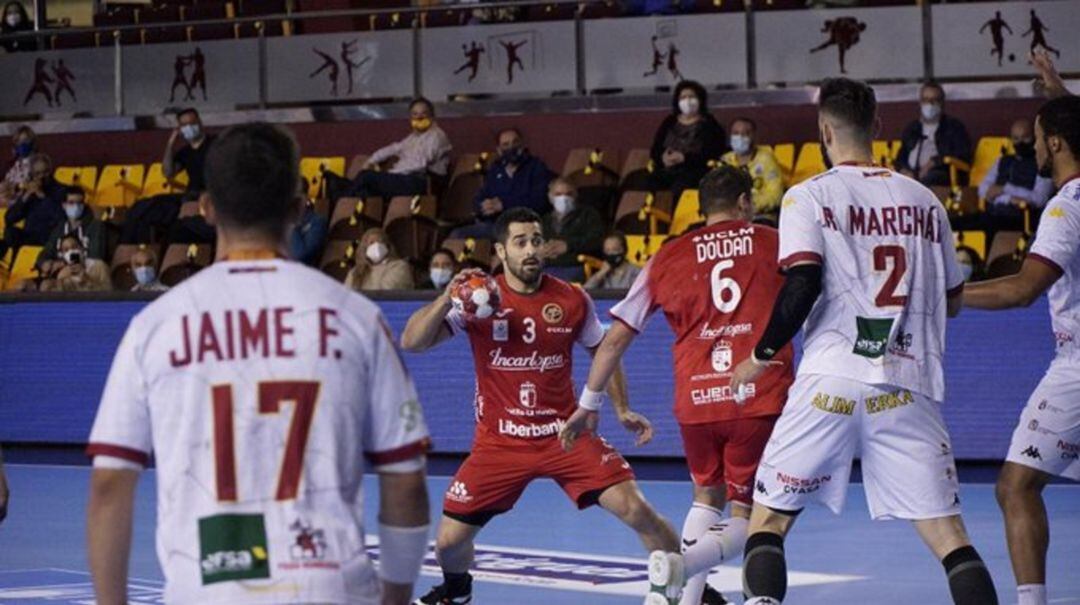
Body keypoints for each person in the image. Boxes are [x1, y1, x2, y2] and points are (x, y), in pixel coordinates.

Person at [86, 122, 431, 605]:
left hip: (205, 588)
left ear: (205, 208)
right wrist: (394, 598)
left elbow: (108, 485)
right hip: (329, 587)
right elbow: (406, 482)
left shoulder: (156, 325)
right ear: (297, 208)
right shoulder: (357, 318)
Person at [729, 77, 998, 605]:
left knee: (770, 523)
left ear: (824, 130)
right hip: (906, 384)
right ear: (878, 126)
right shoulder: (926, 201)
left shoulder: (807, 195)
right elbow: (954, 300)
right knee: (951, 539)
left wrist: (760, 357)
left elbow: (802, 281)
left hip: (829, 380)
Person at [400, 207, 681, 605]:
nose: (531, 249)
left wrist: (620, 408)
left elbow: (604, 349)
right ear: (500, 250)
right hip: (499, 443)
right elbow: (412, 341)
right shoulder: (479, 299)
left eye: (536, 240)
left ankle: (692, 587)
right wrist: (446, 299)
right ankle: (457, 591)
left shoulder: (571, 299)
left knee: (637, 510)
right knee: (448, 544)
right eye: (520, 242)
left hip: (565, 435)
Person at [563, 166, 795, 605]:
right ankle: (682, 566)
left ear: (702, 208)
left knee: (707, 497)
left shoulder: (668, 255)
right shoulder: (773, 242)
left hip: (696, 401)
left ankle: (675, 601)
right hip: (757, 395)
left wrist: (589, 401)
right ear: (745, 202)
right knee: (755, 515)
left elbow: (614, 338)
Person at [962, 95, 1080, 605]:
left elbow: (1022, 289)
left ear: (1054, 142)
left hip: (1077, 369)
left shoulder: (1065, 206)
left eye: (1037, 135)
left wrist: (947, 296)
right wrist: (1059, 89)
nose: (1032, 143)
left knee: (1015, 486)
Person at [121, 108, 216, 244]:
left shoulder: (216, 145)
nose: (188, 128)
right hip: (189, 195)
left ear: (200, 123)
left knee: (179, 221)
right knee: (143, 207)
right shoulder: (185, 152)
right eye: (184, 125)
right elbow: (168, 172)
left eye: (191, 123)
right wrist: (171, 143)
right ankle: (133, 249)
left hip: (208, 194)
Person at [451, 127, 552, 239]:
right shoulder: (496, 169)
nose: (511, 147)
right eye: (506, 144)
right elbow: (480, 197)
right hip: (495, 224)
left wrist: (504, 205)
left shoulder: (536, 167)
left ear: (522, 144)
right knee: (457, 235)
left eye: (515, 142)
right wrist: (483, 206)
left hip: (524, 225)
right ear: (499, 150)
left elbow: (540, 202)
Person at [350, 98, 452, 201]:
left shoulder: (437, 136)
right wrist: (370, 161)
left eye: (424, 113)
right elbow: (393, 148)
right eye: (415, 114)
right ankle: (348, 206)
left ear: (432, 116)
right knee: (342, 183)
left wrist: (391, 173)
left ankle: (345, 201)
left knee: (366, 178)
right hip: (404, 179)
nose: (419, 117)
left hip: (421, 183)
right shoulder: (412, 138)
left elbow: (420, 164)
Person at [649, 81, 728, 203]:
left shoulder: (710, 124)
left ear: (700, 100)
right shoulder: (670, 121)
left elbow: (714, 153)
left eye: (692, 97)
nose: (687, 101)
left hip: (695, 171)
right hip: (667, 169)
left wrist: (684, 158)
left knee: (682, 185)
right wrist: (663, 158)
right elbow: (655, 149)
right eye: (683, 97)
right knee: (644, 181)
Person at [978, 118, 1055, 230]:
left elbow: (1040, 199)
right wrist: (1009, 198)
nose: (1020, 143)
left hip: (1023, 219)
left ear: (1035, 138)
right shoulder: (1002, 160)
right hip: (995, 213)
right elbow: (983, 189)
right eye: (1016, 138)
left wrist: (1005, 189)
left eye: (1025, 138)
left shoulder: (1043, 163)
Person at [895, 82, 973, 188]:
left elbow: (963, 156)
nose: (930, 104)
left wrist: (934, 162)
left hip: (940, 175)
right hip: (911, 174)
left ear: (942, 103)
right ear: (920, 102)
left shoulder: (954, 127)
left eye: (934, 100)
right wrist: (904, 171)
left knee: (929, 180)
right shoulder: (912, 128)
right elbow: (901, 157)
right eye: (926, 100)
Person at [0, 152, 64, 260]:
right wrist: (25, 197)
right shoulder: (30, 192)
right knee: (10, 233)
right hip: (30, 235)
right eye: (37, 174)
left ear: (51, 171)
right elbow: (9, 218)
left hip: (50, 237)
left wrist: (42, 197)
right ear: (32, 175)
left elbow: (59, 217)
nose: (41, 177)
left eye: (45, 172)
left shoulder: (61, 191)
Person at [541, 177, 604, 283]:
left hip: (575, 266)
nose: (564, 198)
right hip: (547, 267)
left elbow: (597, 242)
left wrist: (568, 246)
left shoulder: (588, 215)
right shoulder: (544, 220)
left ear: (575, 196)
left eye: (568, 194)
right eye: (558, 194)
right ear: (550, 197)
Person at [720, 118, 785, 221]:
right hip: (729, 217)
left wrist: (749, 205)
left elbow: (776, 195)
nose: (740, 137)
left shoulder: (766, 159)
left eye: (745, 133)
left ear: (754, 136)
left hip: (759, 216)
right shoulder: (725, 161)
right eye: (736, 133)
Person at [36, 186, 106, 267]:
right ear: (64, 205)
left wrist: (64, 264)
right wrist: (44, 262)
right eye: (71, 202)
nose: (76, 206)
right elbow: (46, 252)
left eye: (80, 203)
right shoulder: (60, 228)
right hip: (61, 274)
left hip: (86, 273)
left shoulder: (95, 226)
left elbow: (95, 257)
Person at [344, 227, 415, 291]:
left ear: (387, 246)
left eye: (380, 241)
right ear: (364, 248)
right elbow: (346, 297)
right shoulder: (355, 272)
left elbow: (387, 292)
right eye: (371, 242)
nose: (376, 245)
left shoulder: (400, 266)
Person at [39, 233, 111, 292]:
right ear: (62, 255)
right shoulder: (63, 272)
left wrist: (86, 279)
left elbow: (109, 291)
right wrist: (59, 279)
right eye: (66, 250)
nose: (71, 251)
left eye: (74, 247)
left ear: (82, 249)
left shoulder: (98, 266)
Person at [1, 125, 38, 207]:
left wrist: (15, 187)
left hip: (24, 200)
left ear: (32, 143)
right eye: (18, 141)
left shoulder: (37, 162)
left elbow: (35, 185)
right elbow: (6, 182)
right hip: (7, 197)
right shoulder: (13, 164)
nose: (22, 144)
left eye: (25, 140)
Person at [289, 197, 329, 266]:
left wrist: (292, 226)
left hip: (303, 271)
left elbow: (300, 255)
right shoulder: (279, 222)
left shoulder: (317, 222)